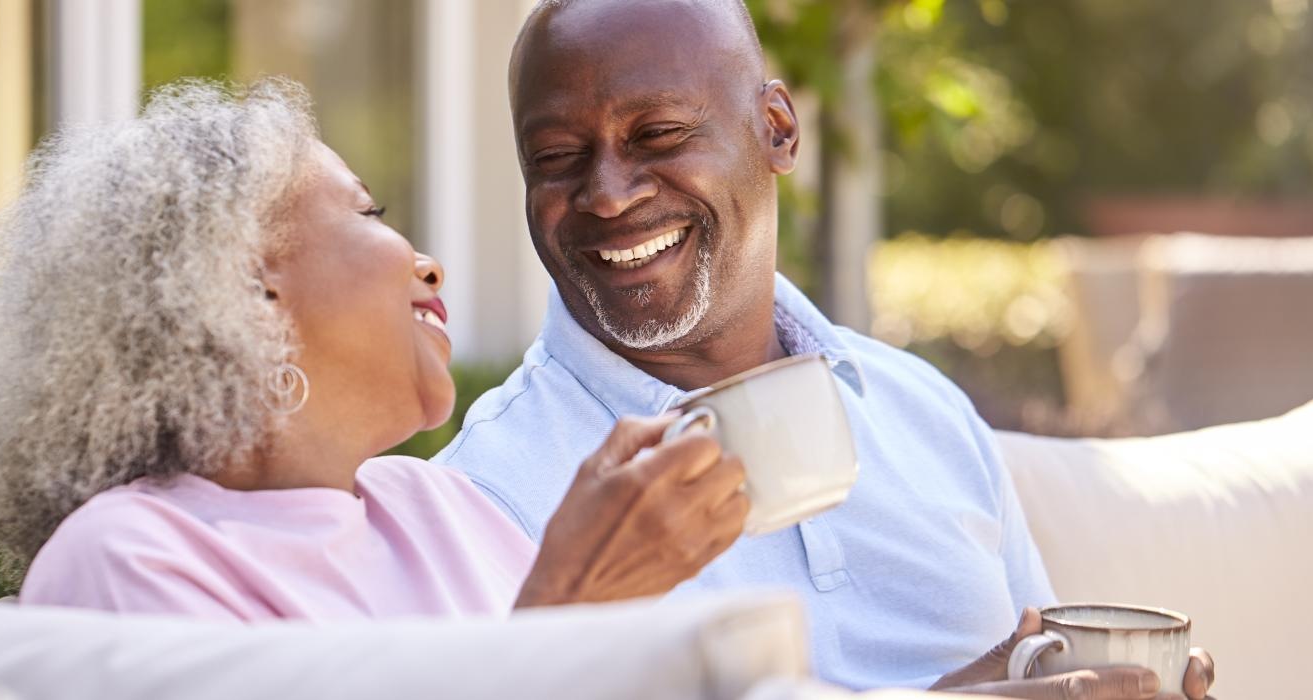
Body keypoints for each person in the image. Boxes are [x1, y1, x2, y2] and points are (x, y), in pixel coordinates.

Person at [432, 1, 1215, 698]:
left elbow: (1034, 665)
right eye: (557, 159)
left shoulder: (922, 410)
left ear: (777, 129)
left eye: (658, 134)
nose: (607, 193)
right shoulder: (490, 493)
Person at [0, 79, 751, 623]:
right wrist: (571, 609)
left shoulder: (443, 508)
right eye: (368, 212)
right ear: (245, 291)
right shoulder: (127, 558)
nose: (428, 263)